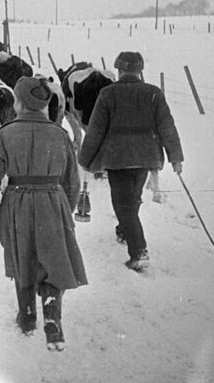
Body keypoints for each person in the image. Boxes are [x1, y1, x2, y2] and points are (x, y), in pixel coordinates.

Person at [0, 76, 86, 351]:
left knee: (22, 258)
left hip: (17, 202)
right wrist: (65, 210)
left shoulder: (6, 134)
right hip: (52, 202)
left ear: (19, 102)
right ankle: (52, 315)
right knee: (53, 261)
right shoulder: (61, 135)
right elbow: (73, 181)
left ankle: (26, 316)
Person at [78, 51, 183, 271]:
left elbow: (96, 129)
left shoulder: (108, 94)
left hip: (118, 158)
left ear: (119, 70)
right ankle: (125, 231)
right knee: (132, 199)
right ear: (140, 70)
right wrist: (175, 157)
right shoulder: (153, 93)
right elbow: (167, 126)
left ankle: (139, 251)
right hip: (146, 158)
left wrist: (85, 159)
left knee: (123, 205)